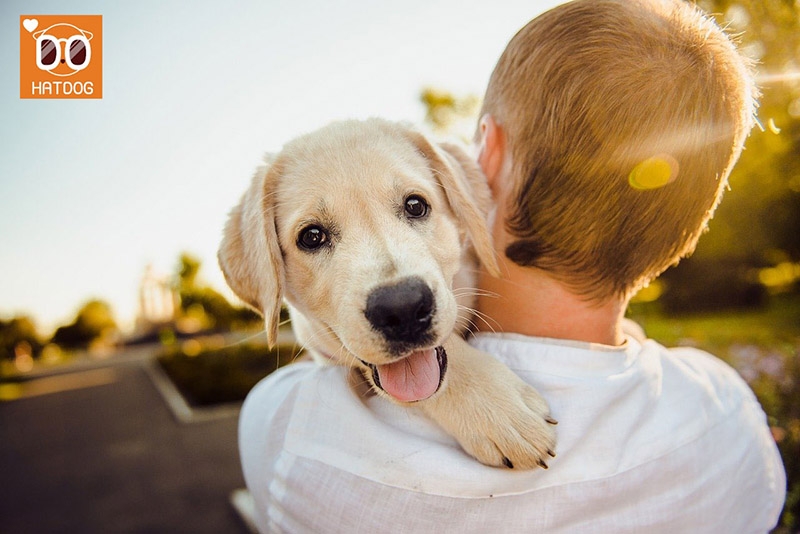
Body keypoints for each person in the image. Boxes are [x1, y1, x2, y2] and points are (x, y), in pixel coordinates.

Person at [238, 0, 786, 531]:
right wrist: (455, 378)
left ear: (485, 159)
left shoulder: (289, 431)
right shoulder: (729, 414)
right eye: (314, 236)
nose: (396, 287)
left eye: (414, 207)